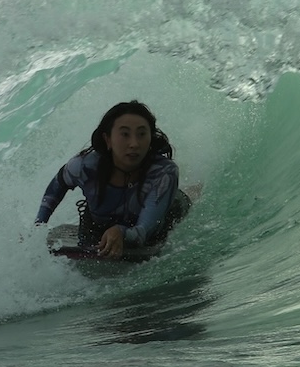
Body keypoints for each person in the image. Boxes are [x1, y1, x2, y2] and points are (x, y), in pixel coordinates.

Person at [35, 100, 190, 259]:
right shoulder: (85, 166)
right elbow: (58, 185)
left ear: (151, 139)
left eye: (142, 134)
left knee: (186, 197)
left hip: (162, 217)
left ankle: (192, 189)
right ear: (107, 139)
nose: (134, 144)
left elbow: (143, 232)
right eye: (124, 134)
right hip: (98, 225)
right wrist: (38, 227)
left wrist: (121, 232)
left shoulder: (163, 173)